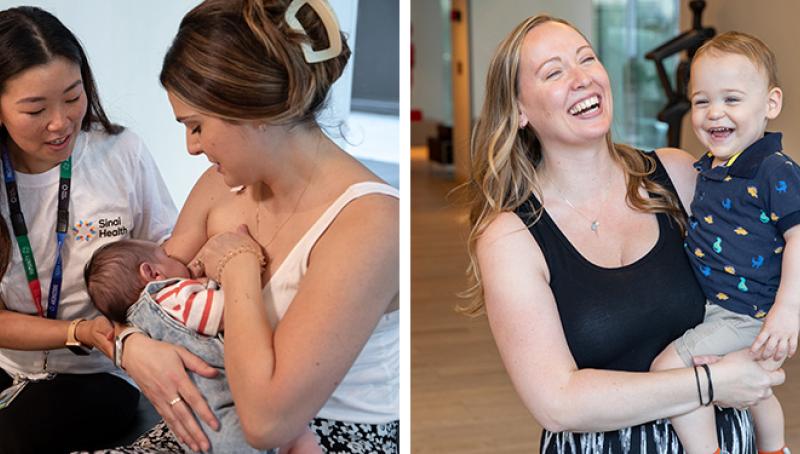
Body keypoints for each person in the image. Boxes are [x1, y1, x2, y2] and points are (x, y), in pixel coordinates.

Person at [462, 14, 785, 452]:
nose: (581, 78)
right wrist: (709, 383)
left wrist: (774, 334)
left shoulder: (680, 176)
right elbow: (557, 403)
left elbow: (764, 267)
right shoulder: (510, 237)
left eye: (587, 59)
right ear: (519, 110)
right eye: (554, 72)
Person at [113, 0, 399, 452]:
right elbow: (147, 292)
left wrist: (239, 269)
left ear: (253, 111)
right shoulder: (217, 187)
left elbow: (268, 423)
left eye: (197, 126)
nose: (191, 147)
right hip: (207, 418)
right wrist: (128, 342)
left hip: (322, 436)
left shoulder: (372, 224)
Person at [0, 6, 177, 453]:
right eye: (35, 109)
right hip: (7, 364)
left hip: (99, 370)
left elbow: (170, 257)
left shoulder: (121, 152)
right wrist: (75, 330)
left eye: (73, 97)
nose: (60, 123)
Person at [650, 32, 797, 454]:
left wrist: (788, 310)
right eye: (701, 101)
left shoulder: (773, 169)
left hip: (744, 313)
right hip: (723, 308)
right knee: (757, 389)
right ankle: (774, 449)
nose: (715, 112)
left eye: (732, 99)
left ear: (770, 104)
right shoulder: (713, 168)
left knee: (672, 374)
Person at [84, 239, 321, 454]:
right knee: (297, 436)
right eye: (166, 256)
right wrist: (233, 273)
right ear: (152, 272)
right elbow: (228, 311)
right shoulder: (172, 295)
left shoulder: (140, 317)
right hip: (232, 419)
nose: (177, 258)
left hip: (201, 431)